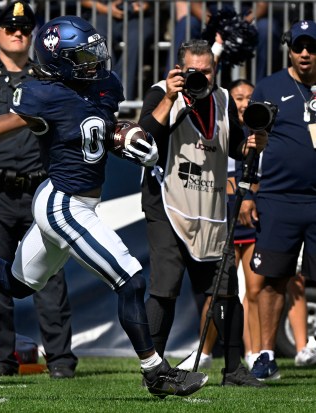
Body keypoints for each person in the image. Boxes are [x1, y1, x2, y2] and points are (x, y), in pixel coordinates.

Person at [0, 15, 209, 399]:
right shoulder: (44, 94)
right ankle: (156, 372)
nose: (94, 59)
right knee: (131, 279)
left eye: (92, 49)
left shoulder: (104, 85)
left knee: (17, 283)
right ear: (60, 61)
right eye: (83, 54)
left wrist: (125, 134)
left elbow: (100, 125)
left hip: (76, 201)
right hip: (63, 203)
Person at [0, 2, 78, 379]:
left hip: (41, 189)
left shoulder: (51, 80)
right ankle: (1, 360)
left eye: (25, 28)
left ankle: (60, 361)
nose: (18, 33)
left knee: (50, 280)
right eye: (10, 27)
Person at [137, 39, 267, 387]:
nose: (200, 77)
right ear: (180, 69)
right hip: (167, 203)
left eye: (207, 71)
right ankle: (154, 370)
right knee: (165, 286)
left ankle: (234, 369)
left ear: (215, 69)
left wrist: (252, 144)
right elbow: (142, 139)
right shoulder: (161, 93)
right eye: (193, 71)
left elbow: (237, 147)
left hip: (208, 206)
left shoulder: (223, 99)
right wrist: (168, 96)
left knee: (225, 288)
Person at [247, 20, 316, 380]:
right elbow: (250, 143)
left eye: (312, 47)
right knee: (273, 279)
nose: (305, 53)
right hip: (279, 198)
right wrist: (247, 190)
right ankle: (266, 355)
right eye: (299, 46)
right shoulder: (270, 86)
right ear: (289, 48)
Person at [81, 0, 153, 104]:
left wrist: (144, 4)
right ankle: (105, 94)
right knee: (95, 37)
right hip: (101, 14)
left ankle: (122, 98)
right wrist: (105, 8)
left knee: (137, 38)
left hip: (138, 17)